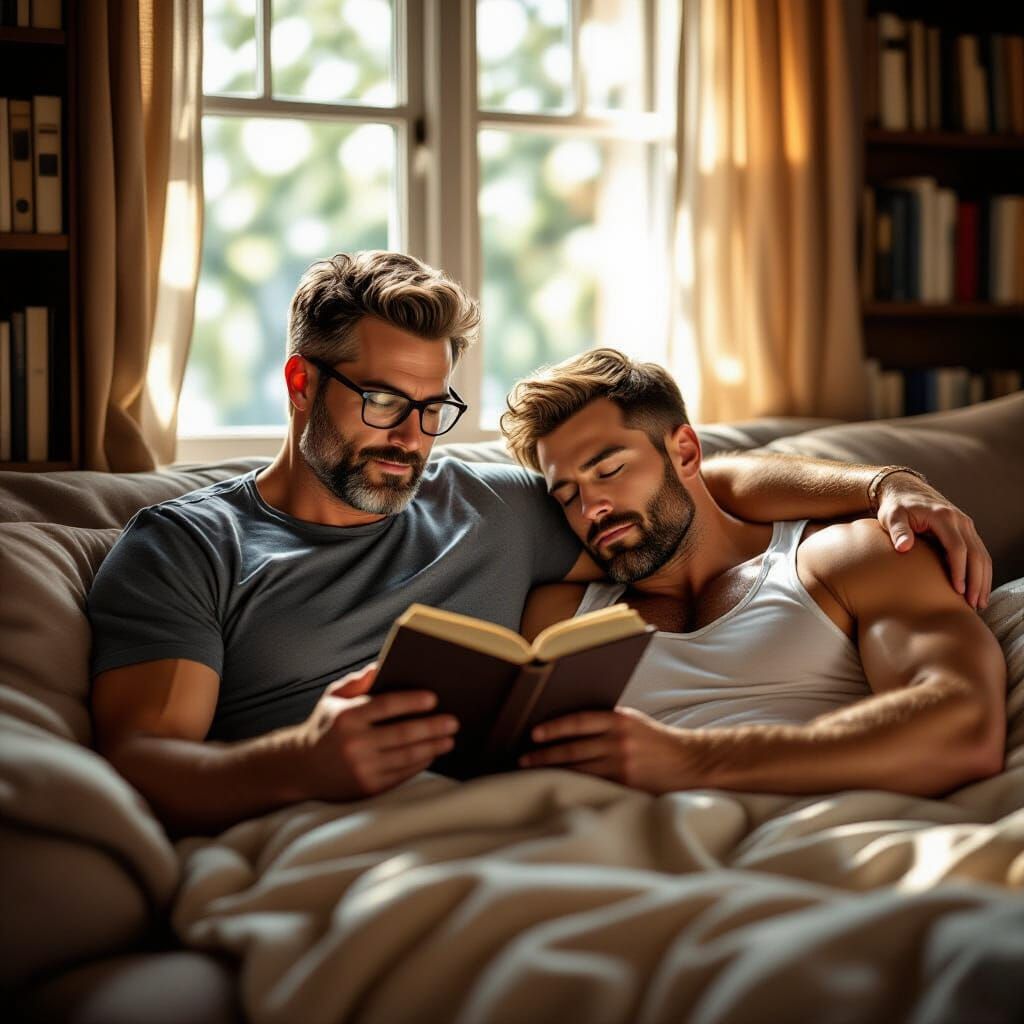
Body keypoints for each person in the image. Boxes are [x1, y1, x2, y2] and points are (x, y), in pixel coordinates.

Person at [88, 252, 993, 835]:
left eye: (433, 408)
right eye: (381, 402)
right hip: (323, 825)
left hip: (509, 823)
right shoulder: (188, 545)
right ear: (299, 383)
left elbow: (693, 490)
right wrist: (304, 761)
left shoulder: (489, 501)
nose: (410, 437)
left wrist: (882, 482)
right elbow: (142, 763)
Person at [499, 348, 1006, 797]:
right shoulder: (558, 618)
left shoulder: (848, 557)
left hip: (814, 846)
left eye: (608, 471)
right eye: (566, 495)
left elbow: (965, 728)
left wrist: (695, 759)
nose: (590, 508)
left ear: (685, 453)